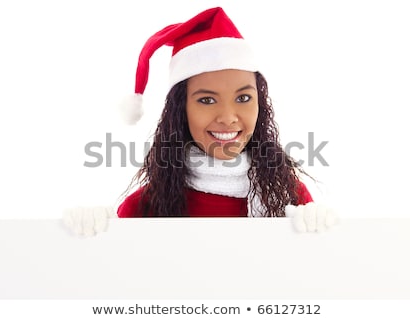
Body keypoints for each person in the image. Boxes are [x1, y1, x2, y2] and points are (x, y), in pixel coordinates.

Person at [63, 7, 337, 235]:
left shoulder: (288, 197)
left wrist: (322, 238)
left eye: (243, 98)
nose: (228, 118)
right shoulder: (146, 208)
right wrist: (94, 236)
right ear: (180, 110)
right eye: (207, 100)